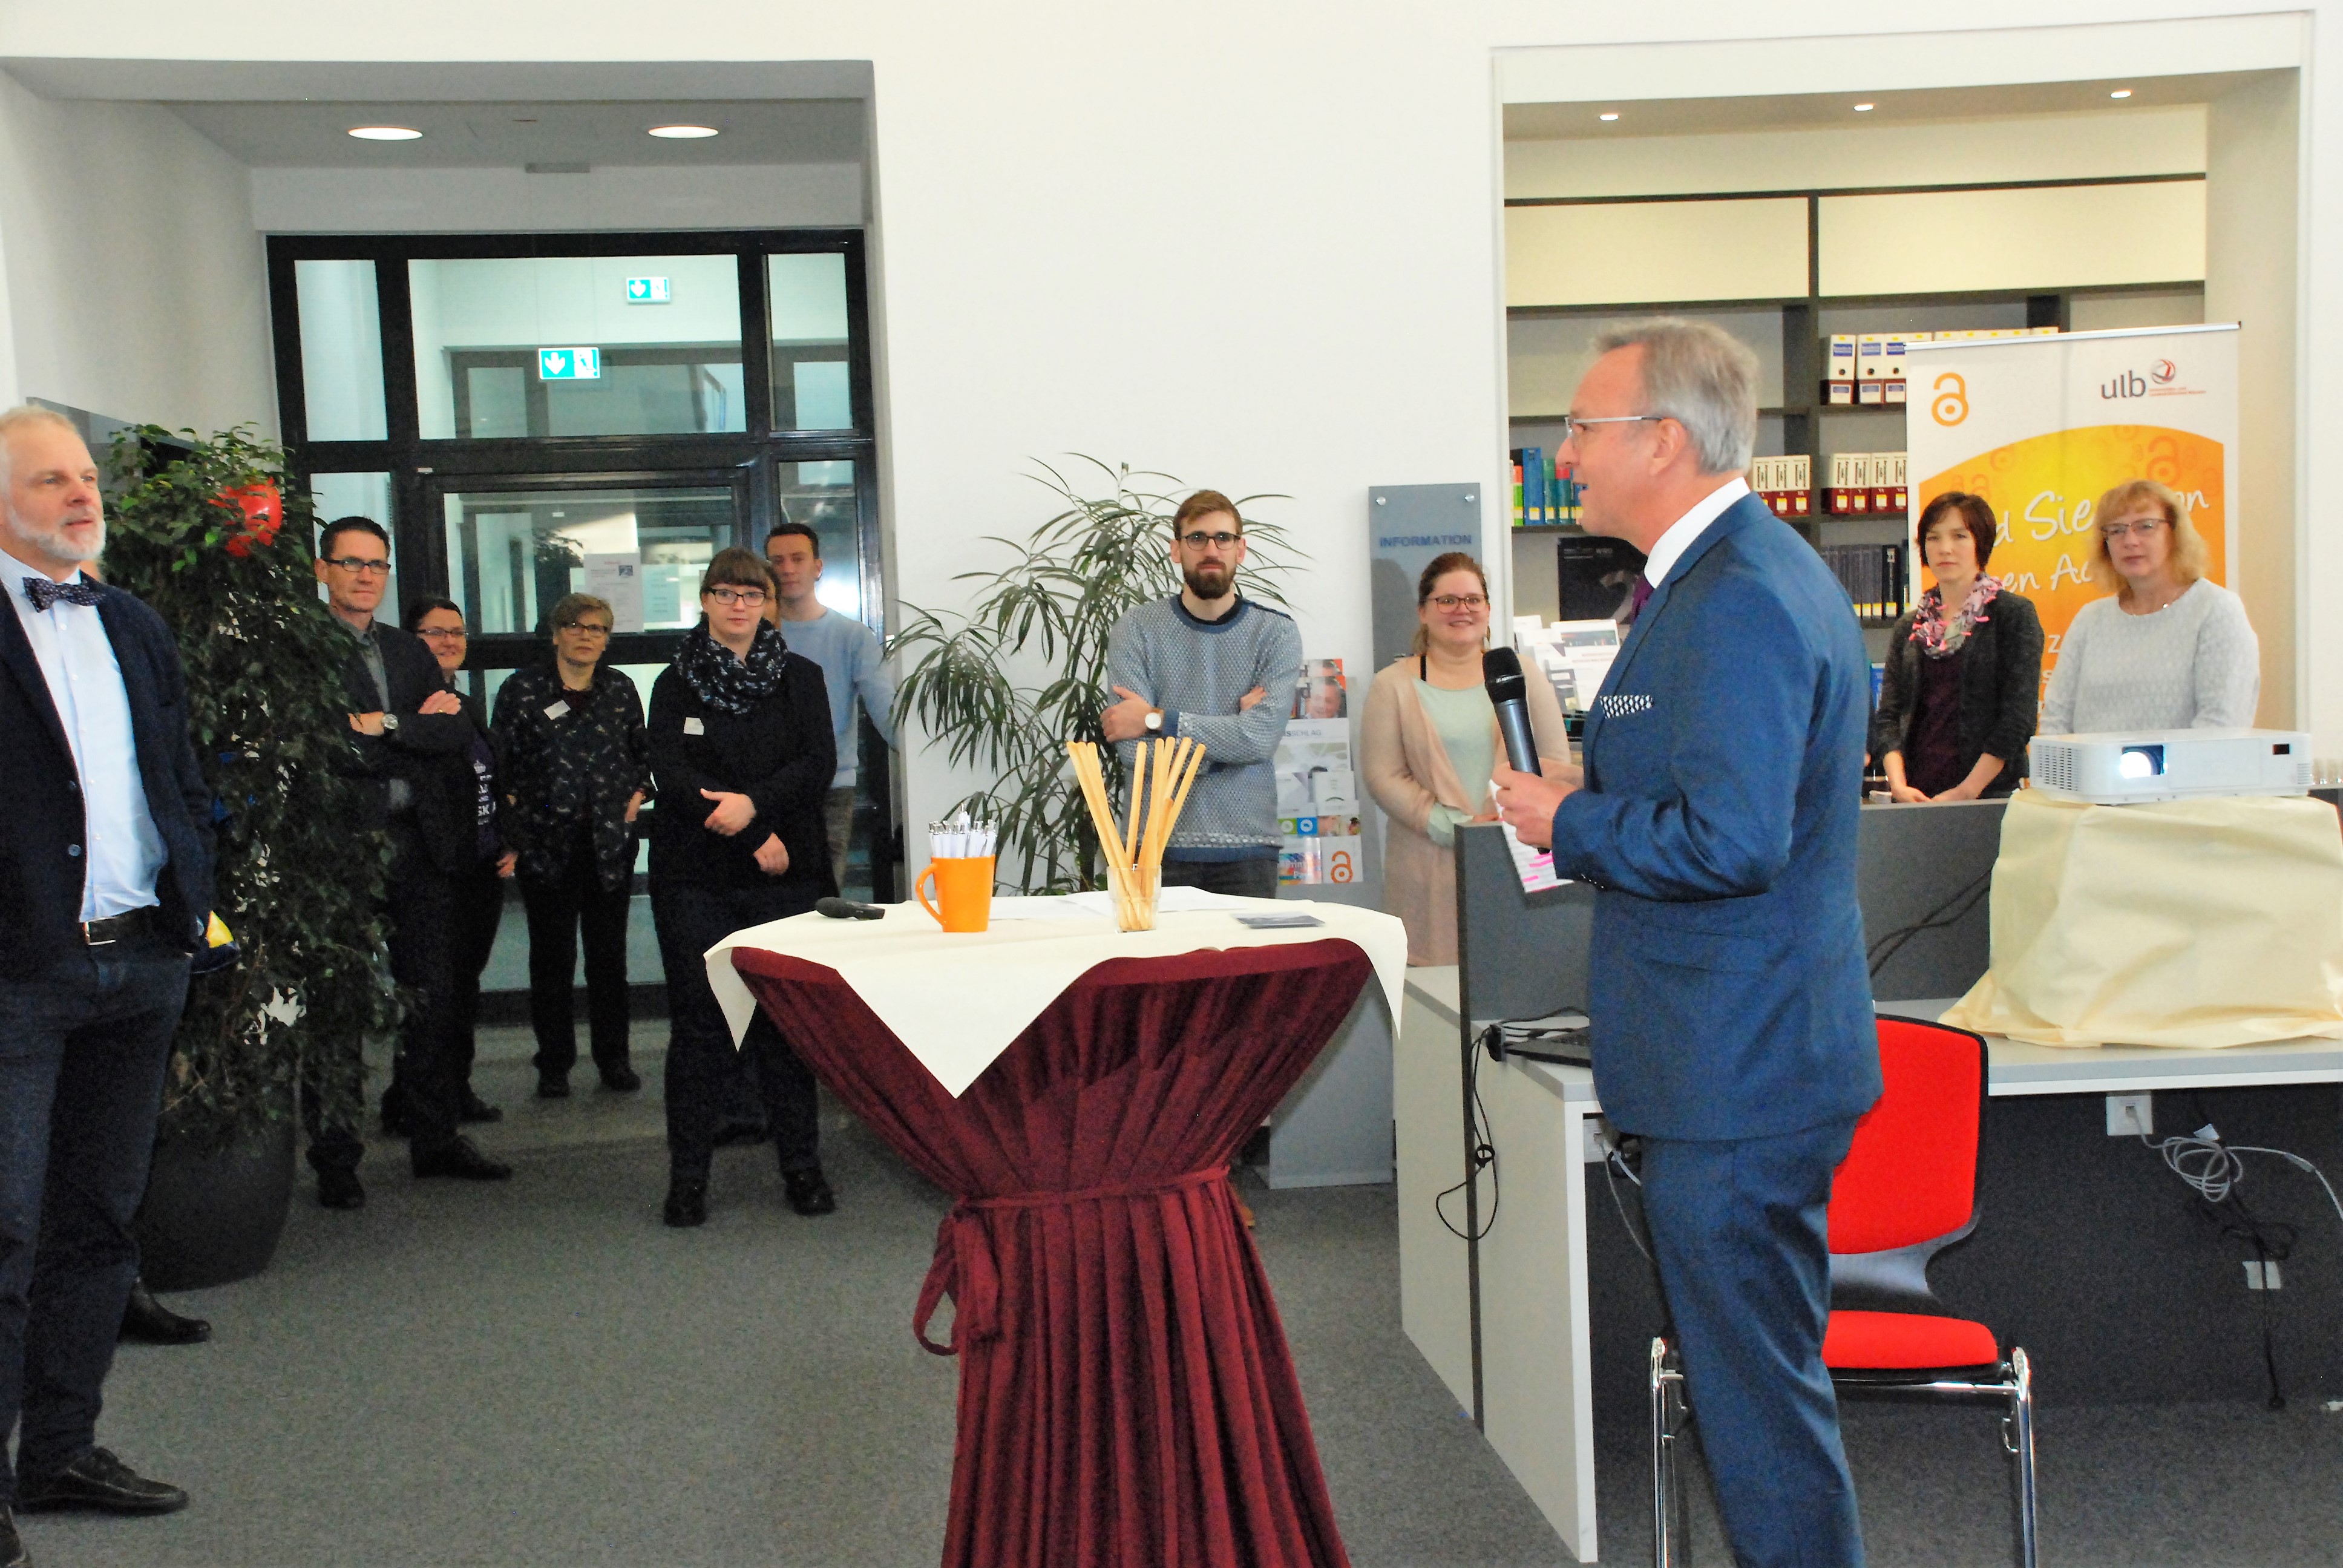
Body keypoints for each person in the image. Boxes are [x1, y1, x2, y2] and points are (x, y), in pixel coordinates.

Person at [1493, 320, 1879, 1568]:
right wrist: (1592, 797)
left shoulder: (1742, 596)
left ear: (1661, 438)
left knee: (1758, 1414)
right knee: (1758, 1397)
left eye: (1581, 429)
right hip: (1734, 1057)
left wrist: (1570, 821)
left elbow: (1733, 840)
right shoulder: (1716, 578)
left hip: (1738, 1069)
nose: (1563, 456)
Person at [0, 404, 215, 1545]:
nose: (82, 494)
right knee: (6, 1232)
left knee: (97, 1223)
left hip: (141, 962)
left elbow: (177, 771)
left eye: (86, 477)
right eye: (51, 480)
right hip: (19, 975)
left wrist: (194, 895)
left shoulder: (130, 619)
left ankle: (61, 1450)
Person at [314, 517, 511, 1208]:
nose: (365, 576)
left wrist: (386, 725)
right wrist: (406, 735)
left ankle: (434, 1137)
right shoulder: (302, 650)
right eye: (351, 563)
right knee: (338, 1004)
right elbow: (321, 743)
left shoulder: (408, 649)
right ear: (323, 570)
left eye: (376, 564)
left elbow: (451, 729)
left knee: (431, 995)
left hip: (419, 846)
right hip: (341, 847)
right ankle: (336, 1156)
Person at [647, 549, 838, 1227]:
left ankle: (802, 1167)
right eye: (725, 592)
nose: (738, 605)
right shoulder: (674, 681)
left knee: (784, 1024)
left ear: (767, 604)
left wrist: (755, 807)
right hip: (696, 876)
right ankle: (688, 1179)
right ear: (704, 599)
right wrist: (749, 829)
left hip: (784, 875)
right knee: (701, 1025)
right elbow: (671, 771)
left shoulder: (801, 677)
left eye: (751, 594)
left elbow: (817, 763)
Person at [1362, 553, 1569, 964]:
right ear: (1423, 612)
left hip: (1520, 856)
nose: (1463, 609)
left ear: (1488, 609)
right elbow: (1383, 776)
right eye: (1447, 600)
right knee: (1436, 992)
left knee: (1522, 978)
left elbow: (1553, 760)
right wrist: (1455, 827)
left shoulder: (1523, 674)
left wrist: (1508, 820)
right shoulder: (1392, 685)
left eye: (1473, 599)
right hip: (1428, 865)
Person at [1099, 490, 1303, 899]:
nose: (1211, 550)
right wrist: (1232, 745)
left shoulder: (1275, 633)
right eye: (1197, 538)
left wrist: (1157, 720)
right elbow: (1133, 752)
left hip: (1248, 849)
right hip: (1153, 845)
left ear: (1241, 549)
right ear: (1176, 550)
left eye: (1223, 538)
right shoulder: (1136, 629)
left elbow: (1260, 739)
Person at [490, 593, 650, 1100]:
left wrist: (637, 797)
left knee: (609, 959)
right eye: (576, 626)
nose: (586, 635)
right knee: (551, 960)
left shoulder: (620, 689)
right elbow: (501, 764)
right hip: (546, 844)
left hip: (608, 844)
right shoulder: (521, 689)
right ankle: (554, 1065)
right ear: (557, 633)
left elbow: (642, 755)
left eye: (597, 628)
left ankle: (614, 1059)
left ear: (607, 640)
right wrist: (514, 828)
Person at [395, 597, 516, 1128]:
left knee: (465, 984)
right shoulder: (407, 708)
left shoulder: (464, 703)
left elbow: (489, 780)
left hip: (480, 864)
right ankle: (416, 1100)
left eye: (457, 632)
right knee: (433, 991)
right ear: (410, 642)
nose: (449, 641)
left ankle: (455, 1088)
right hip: (434, 868)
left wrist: (507, 837)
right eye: (435, 632)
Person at [2039, 477, 2258, 734]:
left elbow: (2221, 724)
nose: (2130, 541)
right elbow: (2056, 718)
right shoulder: (2090, 619)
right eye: (2117, 530)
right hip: (2089, 763)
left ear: (2175, 534)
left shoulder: (2216, 610)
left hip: (2193, 762)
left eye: (2146, 526)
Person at [1869, 492, 2045, 802]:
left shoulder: (2013, 615)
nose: (1945, 548)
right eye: (1933, 538)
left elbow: (2018, 719)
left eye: (1959, 536)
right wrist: (1898, 785)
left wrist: (1968, 790)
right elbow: (1889, 717)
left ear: (1981, 543)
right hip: (1914, 795)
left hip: (1988, 795)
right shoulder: (1909, 627)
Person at [764, 520, 895, 890]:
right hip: (764, 787)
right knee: (769, 899)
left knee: (824, 896)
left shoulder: (853, 636)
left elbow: (887, 711)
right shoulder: (754, 636)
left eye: (798, 559)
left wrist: (925, 758)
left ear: (817, 567)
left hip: (831, 788)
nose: (787, 569)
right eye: (777, 561)